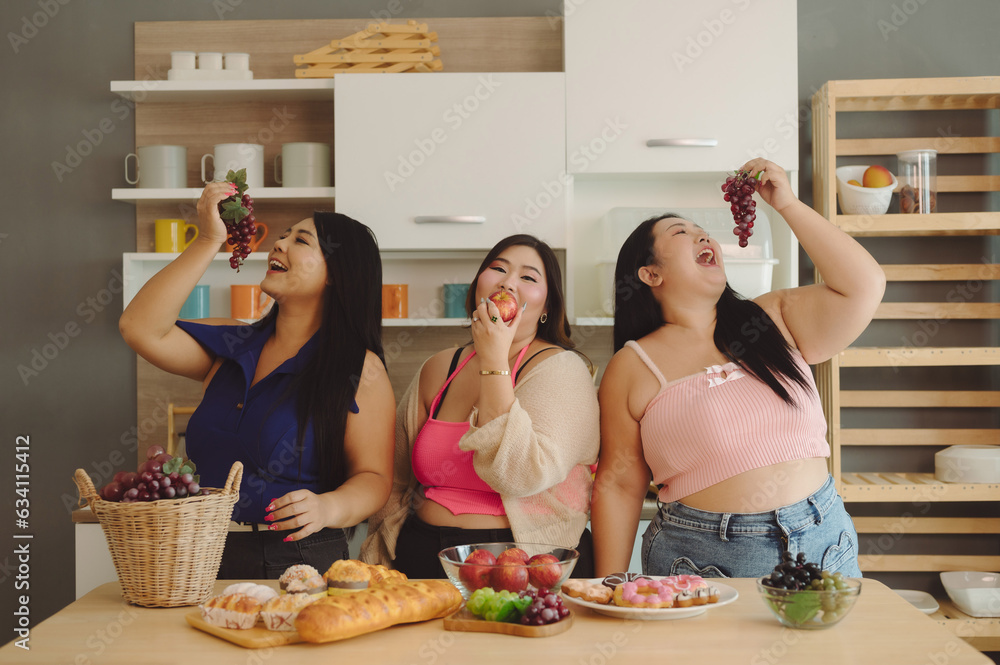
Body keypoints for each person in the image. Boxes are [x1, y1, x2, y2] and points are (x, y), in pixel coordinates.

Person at [592, 159, 885, 579]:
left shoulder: (772, 316)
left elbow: (866, 285)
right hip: (704, 558)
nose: (702, 235)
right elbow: (618, 485)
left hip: (824, 538)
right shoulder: (633, 366)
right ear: (650, 273)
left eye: (702, 231)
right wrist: (607, 587)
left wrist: (786, 204)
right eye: (682, 233)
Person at [119, 181, 395, 579]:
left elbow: (375, 478)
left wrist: (329, 507)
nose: (278, 244)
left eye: (300, 240)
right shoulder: (232, 344)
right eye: (282, 236)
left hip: (295, 559)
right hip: (196, 550)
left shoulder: (358, 368)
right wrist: (210, 239)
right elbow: (138, 327)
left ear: (337, 274)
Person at [361, 234, 600, 578]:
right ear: (478, 286)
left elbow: (520, 475)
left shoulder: (562, 369)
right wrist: (380, 556)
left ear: (547, 307)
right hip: (423, 556)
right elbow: (395, 481)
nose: (507, 282)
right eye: (498, 269)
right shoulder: (439, 366)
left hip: (520, 564)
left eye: (528, 277)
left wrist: (494, 360)